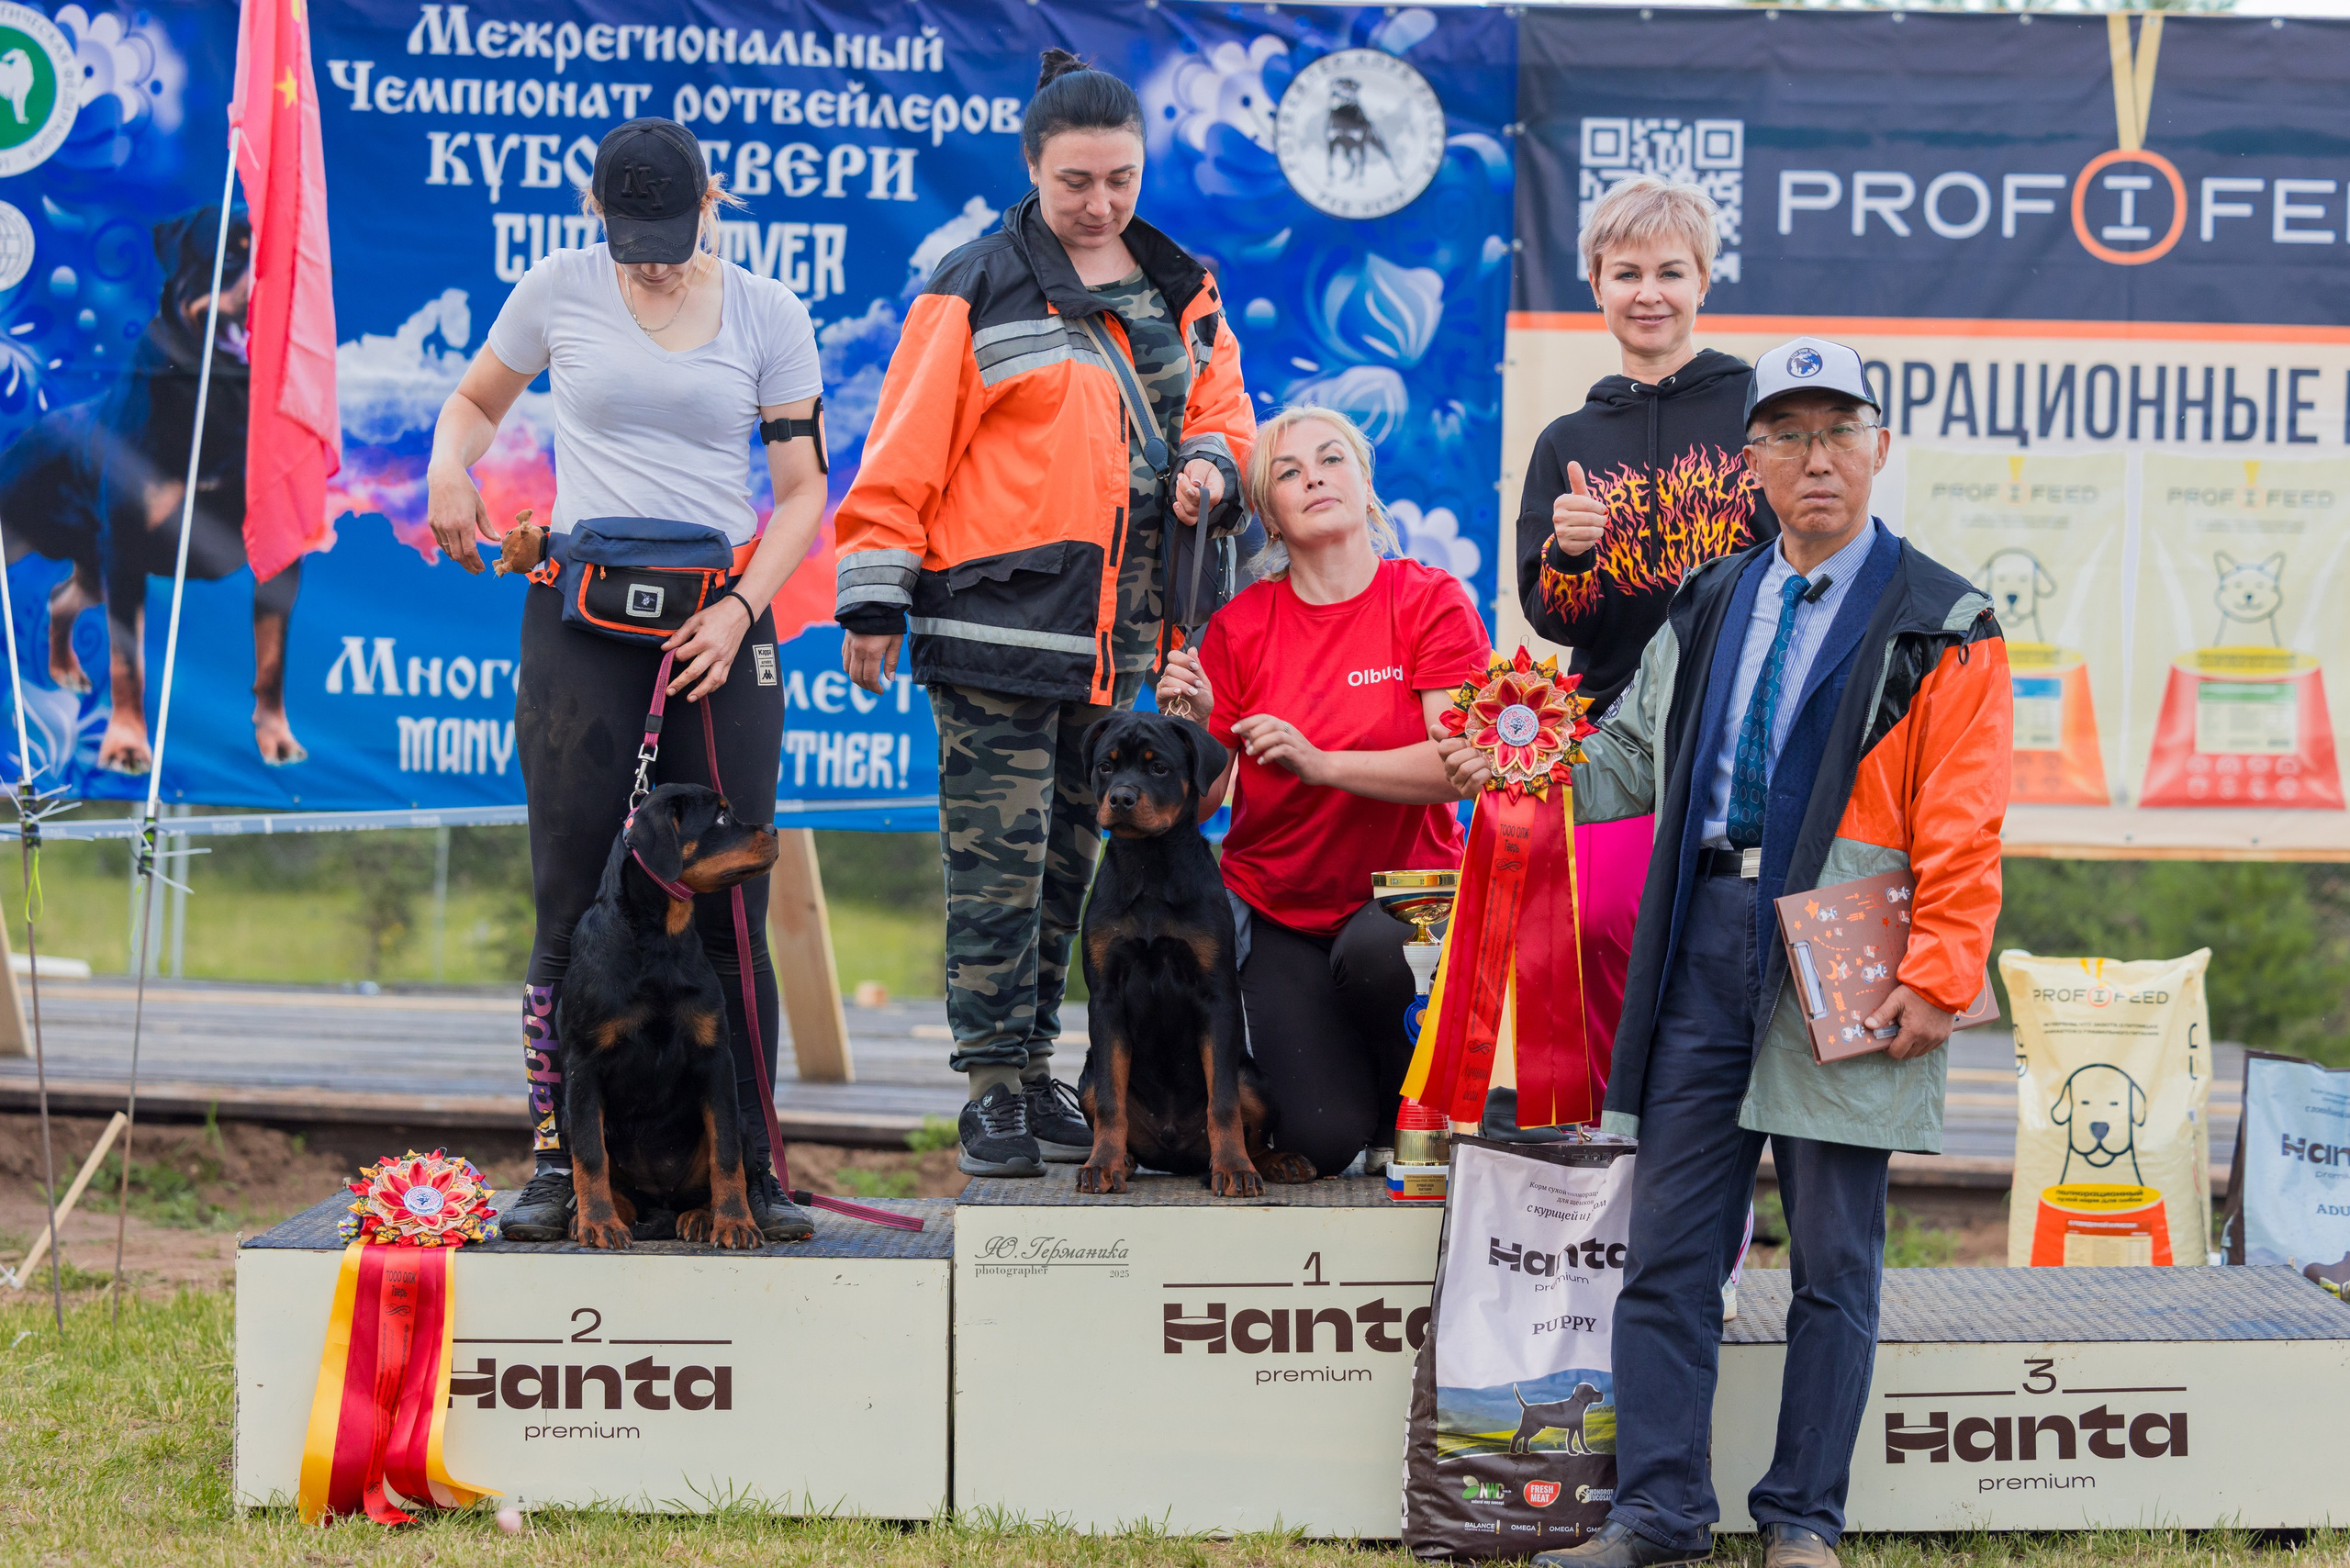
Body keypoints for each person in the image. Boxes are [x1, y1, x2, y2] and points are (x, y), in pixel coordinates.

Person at [1447, 339, 2011, 1568]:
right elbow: (1631, 758)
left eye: (1839, 431)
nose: (1817, 458)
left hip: (1845, 948)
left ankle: (1802, 1519)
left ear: (1879, 448)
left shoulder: (1944, 620)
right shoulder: (1713, 597)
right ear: (1750, 459)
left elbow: (1963, 818)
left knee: (1835, 1259)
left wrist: (1941, 972)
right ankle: (1658, 1514)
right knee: (1668, 1250)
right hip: (1701, 932)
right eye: (1790, 435)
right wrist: (1528, 768)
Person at [833, 50, 1254, 1178]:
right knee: (998, 872)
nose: (1100, 202)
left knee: (1078, 871)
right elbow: (903, 448)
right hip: (997, 631)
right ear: (1032, 168)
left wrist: (1214, 463)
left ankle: (1045, 1070)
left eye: (1119, 178)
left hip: (1123, 643)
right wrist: (873, 592)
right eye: (1075, 180)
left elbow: (1224, 412)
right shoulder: (972, 279)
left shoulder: (1181, 283)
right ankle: (990, 1087)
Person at [424, 119, 830, 1242]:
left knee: (732, 905)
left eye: (670, 234)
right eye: (626, 238)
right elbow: (470, 405)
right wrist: (449, 464)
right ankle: (561, 1162)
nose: (649, 260)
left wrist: (743, 605)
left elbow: (800, 492)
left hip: (721, 616)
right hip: (581, 622)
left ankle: (752, 1169)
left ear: (714, 201)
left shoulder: (767, 311)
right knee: (568, 896)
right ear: (592, 211)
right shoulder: (555, 287)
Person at [1499, 174, 1778, 1144]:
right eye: (1627, 273)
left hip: (1743, 729)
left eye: (1669, 270)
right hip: (1615, 738)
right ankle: (1604, 1193)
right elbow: (1557, 618)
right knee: (1604, 953)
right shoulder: (1567, 440)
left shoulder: (1759, 405)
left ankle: (1719, 1238)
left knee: (1720, 985)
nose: (1648, 291)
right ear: (1595, 284)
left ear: (1703, 279)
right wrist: (1569, 553)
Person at [1158, 406, 1488, 1177]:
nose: (1313, 477)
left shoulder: (1429, 599)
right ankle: (1362, 1112)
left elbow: (1459, 764)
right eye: (1287, 471)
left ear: (1365, 484)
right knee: (1318, 1142)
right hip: (1282, 907)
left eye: (1331, 459)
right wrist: (1198, 732)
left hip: (1403, 900)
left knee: (1377, 958)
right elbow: (1201, 807)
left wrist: (1322, 762)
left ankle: (1406, 1110)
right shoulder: (1239, 626)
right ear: (1269, 518)